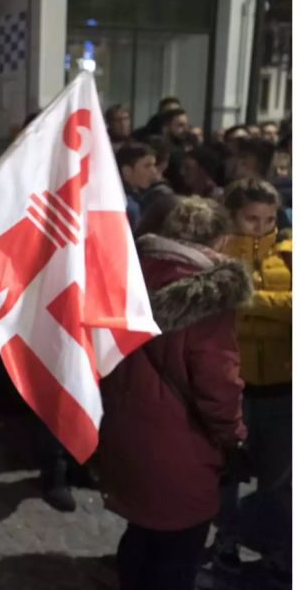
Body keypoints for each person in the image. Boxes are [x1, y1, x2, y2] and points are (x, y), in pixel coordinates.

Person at [95, 195, 250, 590]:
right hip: (182, 446)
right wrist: (234, 437)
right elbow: (219, 385)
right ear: (217, 240)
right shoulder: (209, 298)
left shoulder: (126, 274)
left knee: (140, 533)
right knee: (177, 551)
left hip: (124, 429)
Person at [215, 179, 292, 586]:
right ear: (233, 216)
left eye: (267, 219)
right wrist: (275, 313)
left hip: (282, 385)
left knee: (279, 480)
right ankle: (224, 541)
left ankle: (279, 549)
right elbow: (221, 313)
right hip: (234, 384)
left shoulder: (291, 255)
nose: (260, 227)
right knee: (225, 475)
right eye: (250, 218)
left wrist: (251, 302)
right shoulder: (220, 254)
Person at [116, 142, 157, 228]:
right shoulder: (128, 207)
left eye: (154, 165)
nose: (154, 171)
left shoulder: (142, 197)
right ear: (127, 171)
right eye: (147, 166)